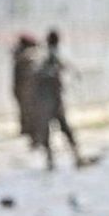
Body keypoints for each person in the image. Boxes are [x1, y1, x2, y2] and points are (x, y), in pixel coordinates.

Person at [34, 30, 86, 170]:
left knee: (62, 129)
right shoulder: (46, 56)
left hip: (53, 100)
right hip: (49, 101)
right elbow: (41, 74)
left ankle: (73, 157)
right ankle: (54, 160)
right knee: (56, 130)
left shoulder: (52, 55)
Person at [12, 35, 40, 147]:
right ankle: (33, 137)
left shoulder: (21, 54)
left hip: (24, 90)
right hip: (26, 91)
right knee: (30, 114)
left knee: (28, 113)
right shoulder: (26, 55)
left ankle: (31, 135)